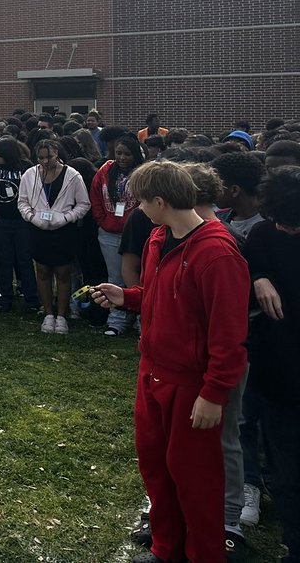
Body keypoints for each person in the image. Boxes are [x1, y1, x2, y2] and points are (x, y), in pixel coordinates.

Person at [92, 160, 249, 563]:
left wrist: (213, 394)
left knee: (195, 478)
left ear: (160, 201)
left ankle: (203, 554)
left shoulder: (217, 252)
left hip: (192, 384)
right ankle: (167, 547)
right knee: (157, 470)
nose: (139, 209)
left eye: (142, 201)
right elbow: (164, 296)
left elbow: (229, 335)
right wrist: (127, 297)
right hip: (153, 373)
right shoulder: (160, 237)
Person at [244, 165, 300, 563]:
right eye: (281, 223)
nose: (286, 230)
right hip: (275, 370)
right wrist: (259, 276)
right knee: (284, 469)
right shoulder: (262, 235)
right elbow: (247, 270)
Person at [18, 139, 91, 335]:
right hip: (38, 228)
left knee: (63, 272)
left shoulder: (72, 176)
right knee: (42, 270)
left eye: (48, 157)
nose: (44, 162)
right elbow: (22, 201)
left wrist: (66, 218)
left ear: (56, 153)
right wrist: (32, 217)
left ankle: (62, 315)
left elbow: (83, 204)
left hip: (63, 229)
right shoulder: (30, 174)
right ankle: (48, 313)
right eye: (40, 158)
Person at [91, 135, 146, 338]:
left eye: (127, 154)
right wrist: (102, 219)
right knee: (115, 278)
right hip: (109, 232)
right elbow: (96, 196)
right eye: (119, 153)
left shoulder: (143, 173)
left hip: (137, 233)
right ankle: (117, 320)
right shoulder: (105, 171)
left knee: (139, 279)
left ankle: (143, 320)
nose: (122, 158)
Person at [0, 137, 37, 313]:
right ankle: (5, 297)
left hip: (23, 220)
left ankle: (32, 298)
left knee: (25, 260)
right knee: (4, 260)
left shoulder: (25, 167)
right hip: (0, 220)